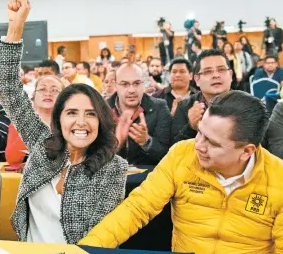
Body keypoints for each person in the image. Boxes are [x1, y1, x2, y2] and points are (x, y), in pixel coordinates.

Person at [80, 91, 283, 254]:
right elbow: (137, 208)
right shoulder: (182, 153)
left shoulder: (278, 178)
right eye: (200, 132)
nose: (199, 145)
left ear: (247, 151)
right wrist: (86, 249)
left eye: (212, 142)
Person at [0, 0, 128, 244]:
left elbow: (103, 238)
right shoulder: (42, 145)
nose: (81, 122)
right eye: (71, 113)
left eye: (90, 114)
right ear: (59, 119)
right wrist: (15, 28)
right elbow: (8, 88)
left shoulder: (113, 168)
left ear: (100, 121)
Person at [108, 62, 171, 166]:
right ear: (116, 85)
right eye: (124, 84)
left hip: (149, 178)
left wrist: (146, 142)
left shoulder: (160, 107)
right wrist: (117, 144)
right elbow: (94, 156)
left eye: (137, 83)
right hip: (112, 178)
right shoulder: (103, 109)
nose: (131, 90)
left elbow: (168, 154)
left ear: (143, 84)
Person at [171, 49, 233, 145]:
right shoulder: (184, 107)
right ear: (197, 80)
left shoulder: (248, 104)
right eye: (208, 71)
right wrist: (191, 126)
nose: (216, 75)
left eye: (221, 70)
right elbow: (174, 148)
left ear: (231, 75)